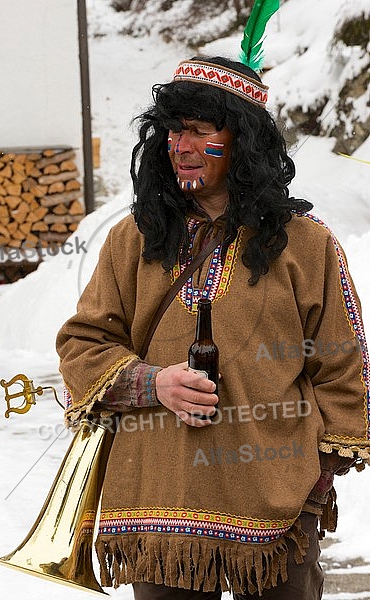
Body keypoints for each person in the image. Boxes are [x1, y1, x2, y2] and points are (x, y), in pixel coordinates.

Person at [56, 56, 370, 599]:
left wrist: (315, 480)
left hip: (273, 510)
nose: (181, 145)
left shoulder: (307, 244)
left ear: (243, 141)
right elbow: (84, 344)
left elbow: (343, 365)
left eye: (201, 131)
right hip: (158, 505)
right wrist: (152, 382)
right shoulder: (133, 239)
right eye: (174, 131)